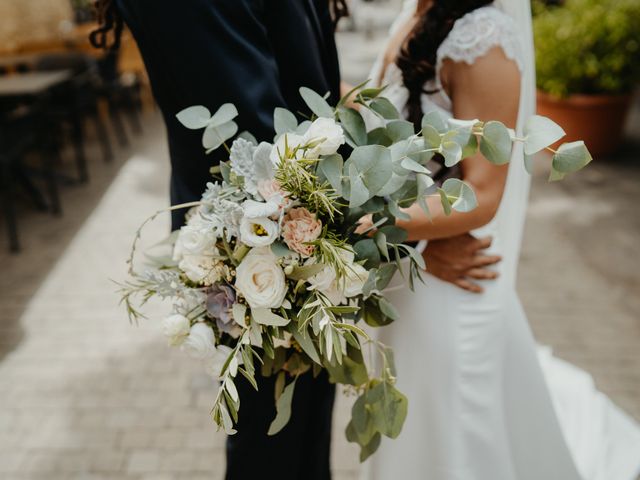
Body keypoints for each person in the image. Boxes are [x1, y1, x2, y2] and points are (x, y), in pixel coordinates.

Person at [358, 0, 640, 479]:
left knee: (458, 435)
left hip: (452, 290)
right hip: (413, 268)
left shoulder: (483, 37)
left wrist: (368, 224)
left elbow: (484, 193)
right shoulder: (417, 12)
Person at [90, 1, 347, 478]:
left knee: (302, 439)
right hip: (260, 248)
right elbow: (254, 141)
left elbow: (308, 78)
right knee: (272, 449)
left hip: (293, 244)